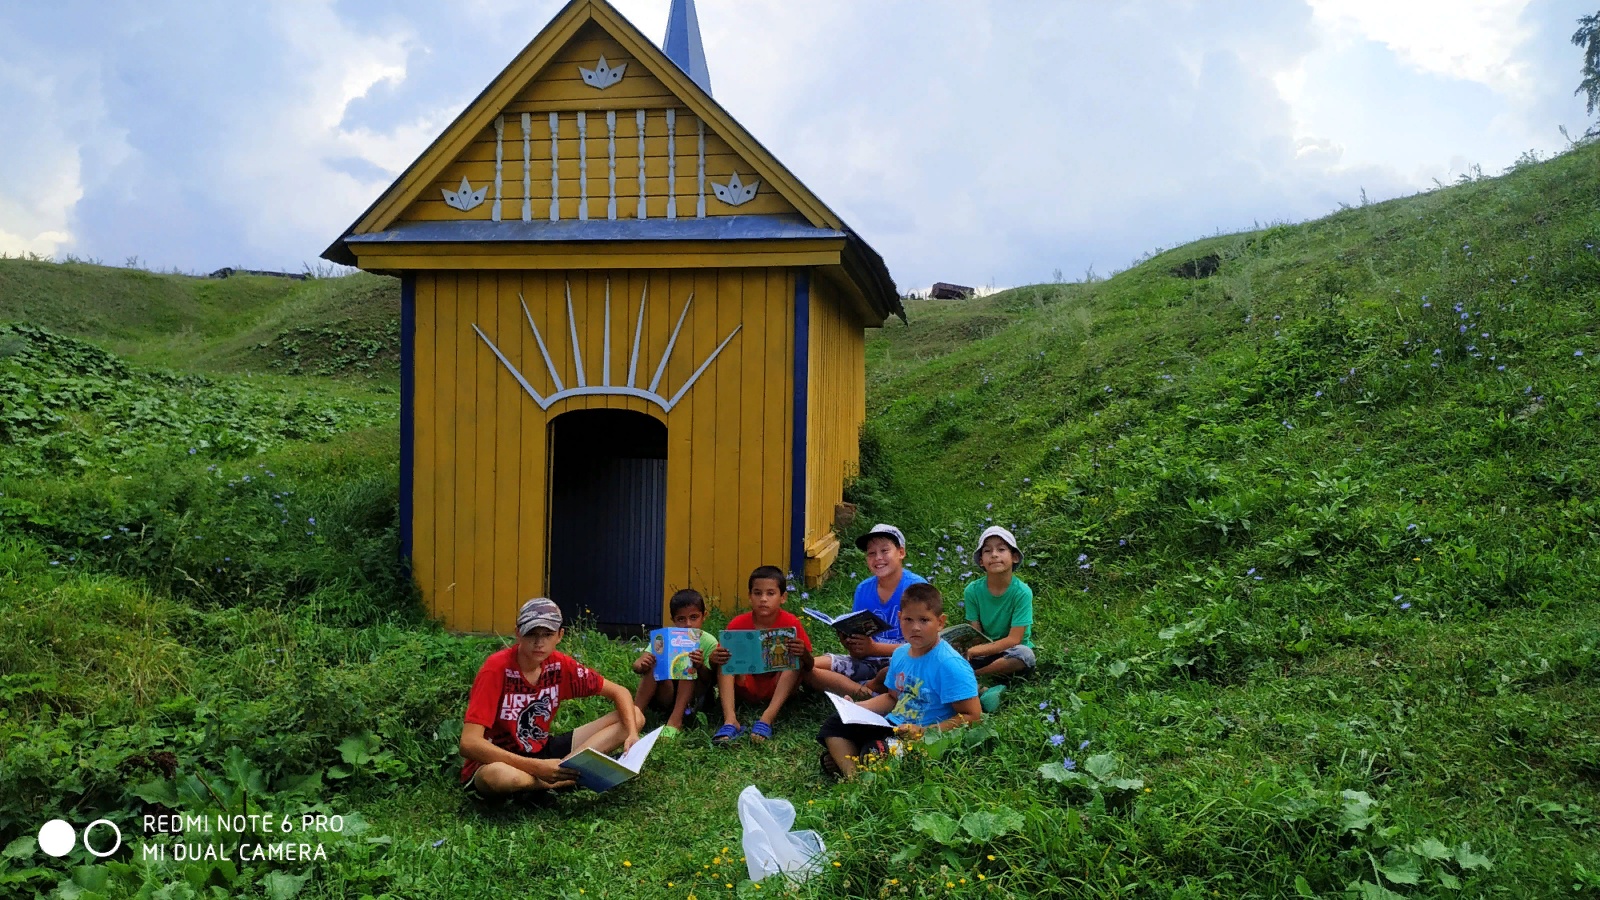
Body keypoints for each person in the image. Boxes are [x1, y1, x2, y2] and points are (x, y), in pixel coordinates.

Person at [458, 597, 644, 799]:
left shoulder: (559, 665)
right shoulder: (496, 668)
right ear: (518, 633)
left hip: (541, 748)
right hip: (498, 760)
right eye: (531, 634)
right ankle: (569, 778)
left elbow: (620, 692)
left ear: (560, 635)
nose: (539, 643)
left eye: (547, 634)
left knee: (634, 715)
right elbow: (469, 743)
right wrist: (536, 767)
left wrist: (632, 735)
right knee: (499, 777)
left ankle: (565, 771)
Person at [817, 583, 981, 779]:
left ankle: (851, 760)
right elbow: (892, 698)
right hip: (892, 724)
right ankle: (853, 775)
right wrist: (856, 708)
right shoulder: (900, 654)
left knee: (877, 750)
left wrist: (924, 731)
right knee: (835, 723)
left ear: (940, 622)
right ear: (899, 618)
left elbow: (973, 716)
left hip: (922, 736)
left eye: (924, 620)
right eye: (908, 619)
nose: (915, 627)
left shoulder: (949, 664)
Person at [805, 524, 927, 701]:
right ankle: (869, 692)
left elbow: (924, 644)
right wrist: (851, 643)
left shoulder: (917, 588)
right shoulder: (863, 589)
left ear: (901, 552)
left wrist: (874, 648)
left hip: (905, 660)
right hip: (868, 660)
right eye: (871, 553)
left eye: (885, 551)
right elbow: (860, 645)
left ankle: (864, 691)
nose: (878, 558)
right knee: (809, 666)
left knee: (890, 672)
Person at [709, 565, 814, 745]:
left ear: (783, 597)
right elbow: (717, 667)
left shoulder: (791, 623)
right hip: (745, 684)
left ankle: (767, 718)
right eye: (757, 593)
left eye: (770, 593)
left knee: (795, 658)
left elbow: (809, 665)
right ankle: (730, 720)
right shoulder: (737, 624)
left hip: (778, 685)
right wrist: (714, 659)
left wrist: (803, 653)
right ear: (750, 596)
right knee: (726, 658)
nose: (763, 599)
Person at [961, 526, 1037, 712]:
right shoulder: (972, 591)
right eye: (987, 551)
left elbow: (1014, 639)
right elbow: (975, 633)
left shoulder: (1022, 592)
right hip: (983, 651)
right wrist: (971, 651)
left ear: (1014, 557)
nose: (994, 555)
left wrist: (975, 651)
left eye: (1001, 549)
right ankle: (983, 689)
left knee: (1025, 655)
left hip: (1010, 652)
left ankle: (973, 677)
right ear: (981, 561)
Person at [630, 588, 718, 738]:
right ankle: (634, 715)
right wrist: (641, 664)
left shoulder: (709, 641)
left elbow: (711, 680)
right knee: (654, 662)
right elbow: (640, 664)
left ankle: (675, 722)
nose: (688, 624)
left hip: (694, 698)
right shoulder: (665, 637)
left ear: (704, 616)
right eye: (681, 619)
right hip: (666, 694)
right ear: (673, 620)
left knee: (687, 663)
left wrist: (700, 666)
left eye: (694, 617)